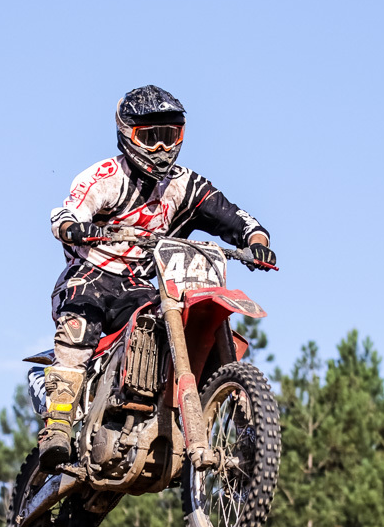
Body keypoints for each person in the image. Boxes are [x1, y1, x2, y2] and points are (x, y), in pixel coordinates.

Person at [39, 84, 277, 470]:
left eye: (170, 136)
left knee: (176, 324)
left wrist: (256, 241)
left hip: (140, 286)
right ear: (127, 135)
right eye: (151, 138)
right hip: (90, 275)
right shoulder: (104, 177)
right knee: (78, 330)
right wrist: (74, 227)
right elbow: (67, 212)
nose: (162, 148)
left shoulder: (185, 184)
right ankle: (58, 426)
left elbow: (233, 216)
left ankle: (238, 424)